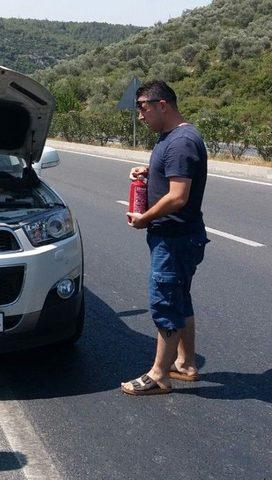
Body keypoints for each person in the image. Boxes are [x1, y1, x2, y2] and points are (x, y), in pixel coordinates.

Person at [121, 80, 209, 396]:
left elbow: (178, 196)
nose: (140, 116)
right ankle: (185, 364)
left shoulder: (182, 141)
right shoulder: (171, 138)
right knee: (180, 298)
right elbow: (172, 175)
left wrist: (145, 218)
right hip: (179, 237)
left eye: (143, 107)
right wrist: (147, 171)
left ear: (163, 105)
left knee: (165, 301)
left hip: (175, 239)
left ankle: (159, 375)